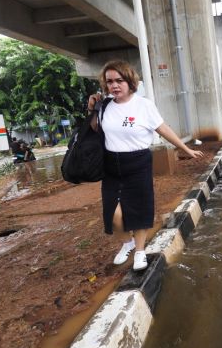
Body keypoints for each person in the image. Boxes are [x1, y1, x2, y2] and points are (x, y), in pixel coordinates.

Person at [87, 60, 203, 271]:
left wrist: (185, 149)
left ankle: (140, 250)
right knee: (114, 215)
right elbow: (95, 129)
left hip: (138, 162)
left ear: (130, 81)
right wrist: (93, 108)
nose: (114, 85)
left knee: (139, 208)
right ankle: (127, 243)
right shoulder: (105, 106)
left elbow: (163, 129)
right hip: (111, 166)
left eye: (119, 81)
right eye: (110, 81)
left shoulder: (143, 105)